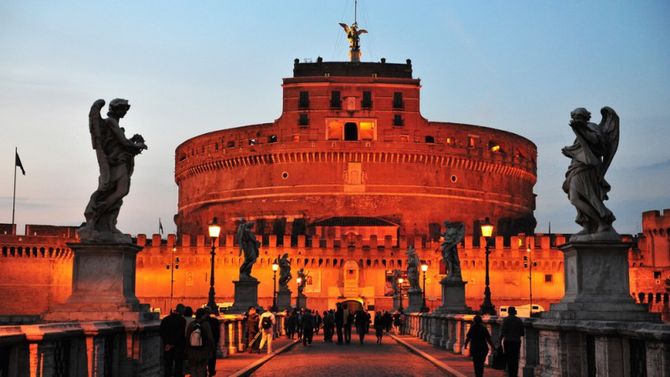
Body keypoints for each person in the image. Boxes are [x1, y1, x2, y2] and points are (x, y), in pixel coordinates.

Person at [185, 308, 215, 377]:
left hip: (192, 351)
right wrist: (212, 349)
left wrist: (187, 350)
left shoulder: (191, 324)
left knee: (193, 369)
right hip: (203, 351)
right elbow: (210, 338)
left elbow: (187, 338)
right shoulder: (206, 324)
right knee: (201, 369)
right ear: (203, 315)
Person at [160, 304, 186, 377]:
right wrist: (173, 344)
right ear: (181, 311)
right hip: (178, 346)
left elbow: (162, 332)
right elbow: (180, 334)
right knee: (178, 365)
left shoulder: (165, 319)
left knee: (168, 365)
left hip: (167, 346)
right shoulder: (182, 320)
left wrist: (167, 343)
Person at [499, 306, 525, 377]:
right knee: (515, 358)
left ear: (508, 312)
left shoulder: (506, 320)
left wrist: (499, 341)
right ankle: (515, 373)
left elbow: (503, 332)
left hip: (508, 341)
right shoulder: (519, 320)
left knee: (509, 358)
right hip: (516, 341)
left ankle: (510, 373)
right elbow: (522, 333)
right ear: (515, 312)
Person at [206, 308, 220, 377]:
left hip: (204, 343)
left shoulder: (201, 322)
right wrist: (216, 341)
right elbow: (217, 332)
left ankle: (205, 371)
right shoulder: (215, 321)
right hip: (213, 342)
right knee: (212, 357)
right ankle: (211, 371)